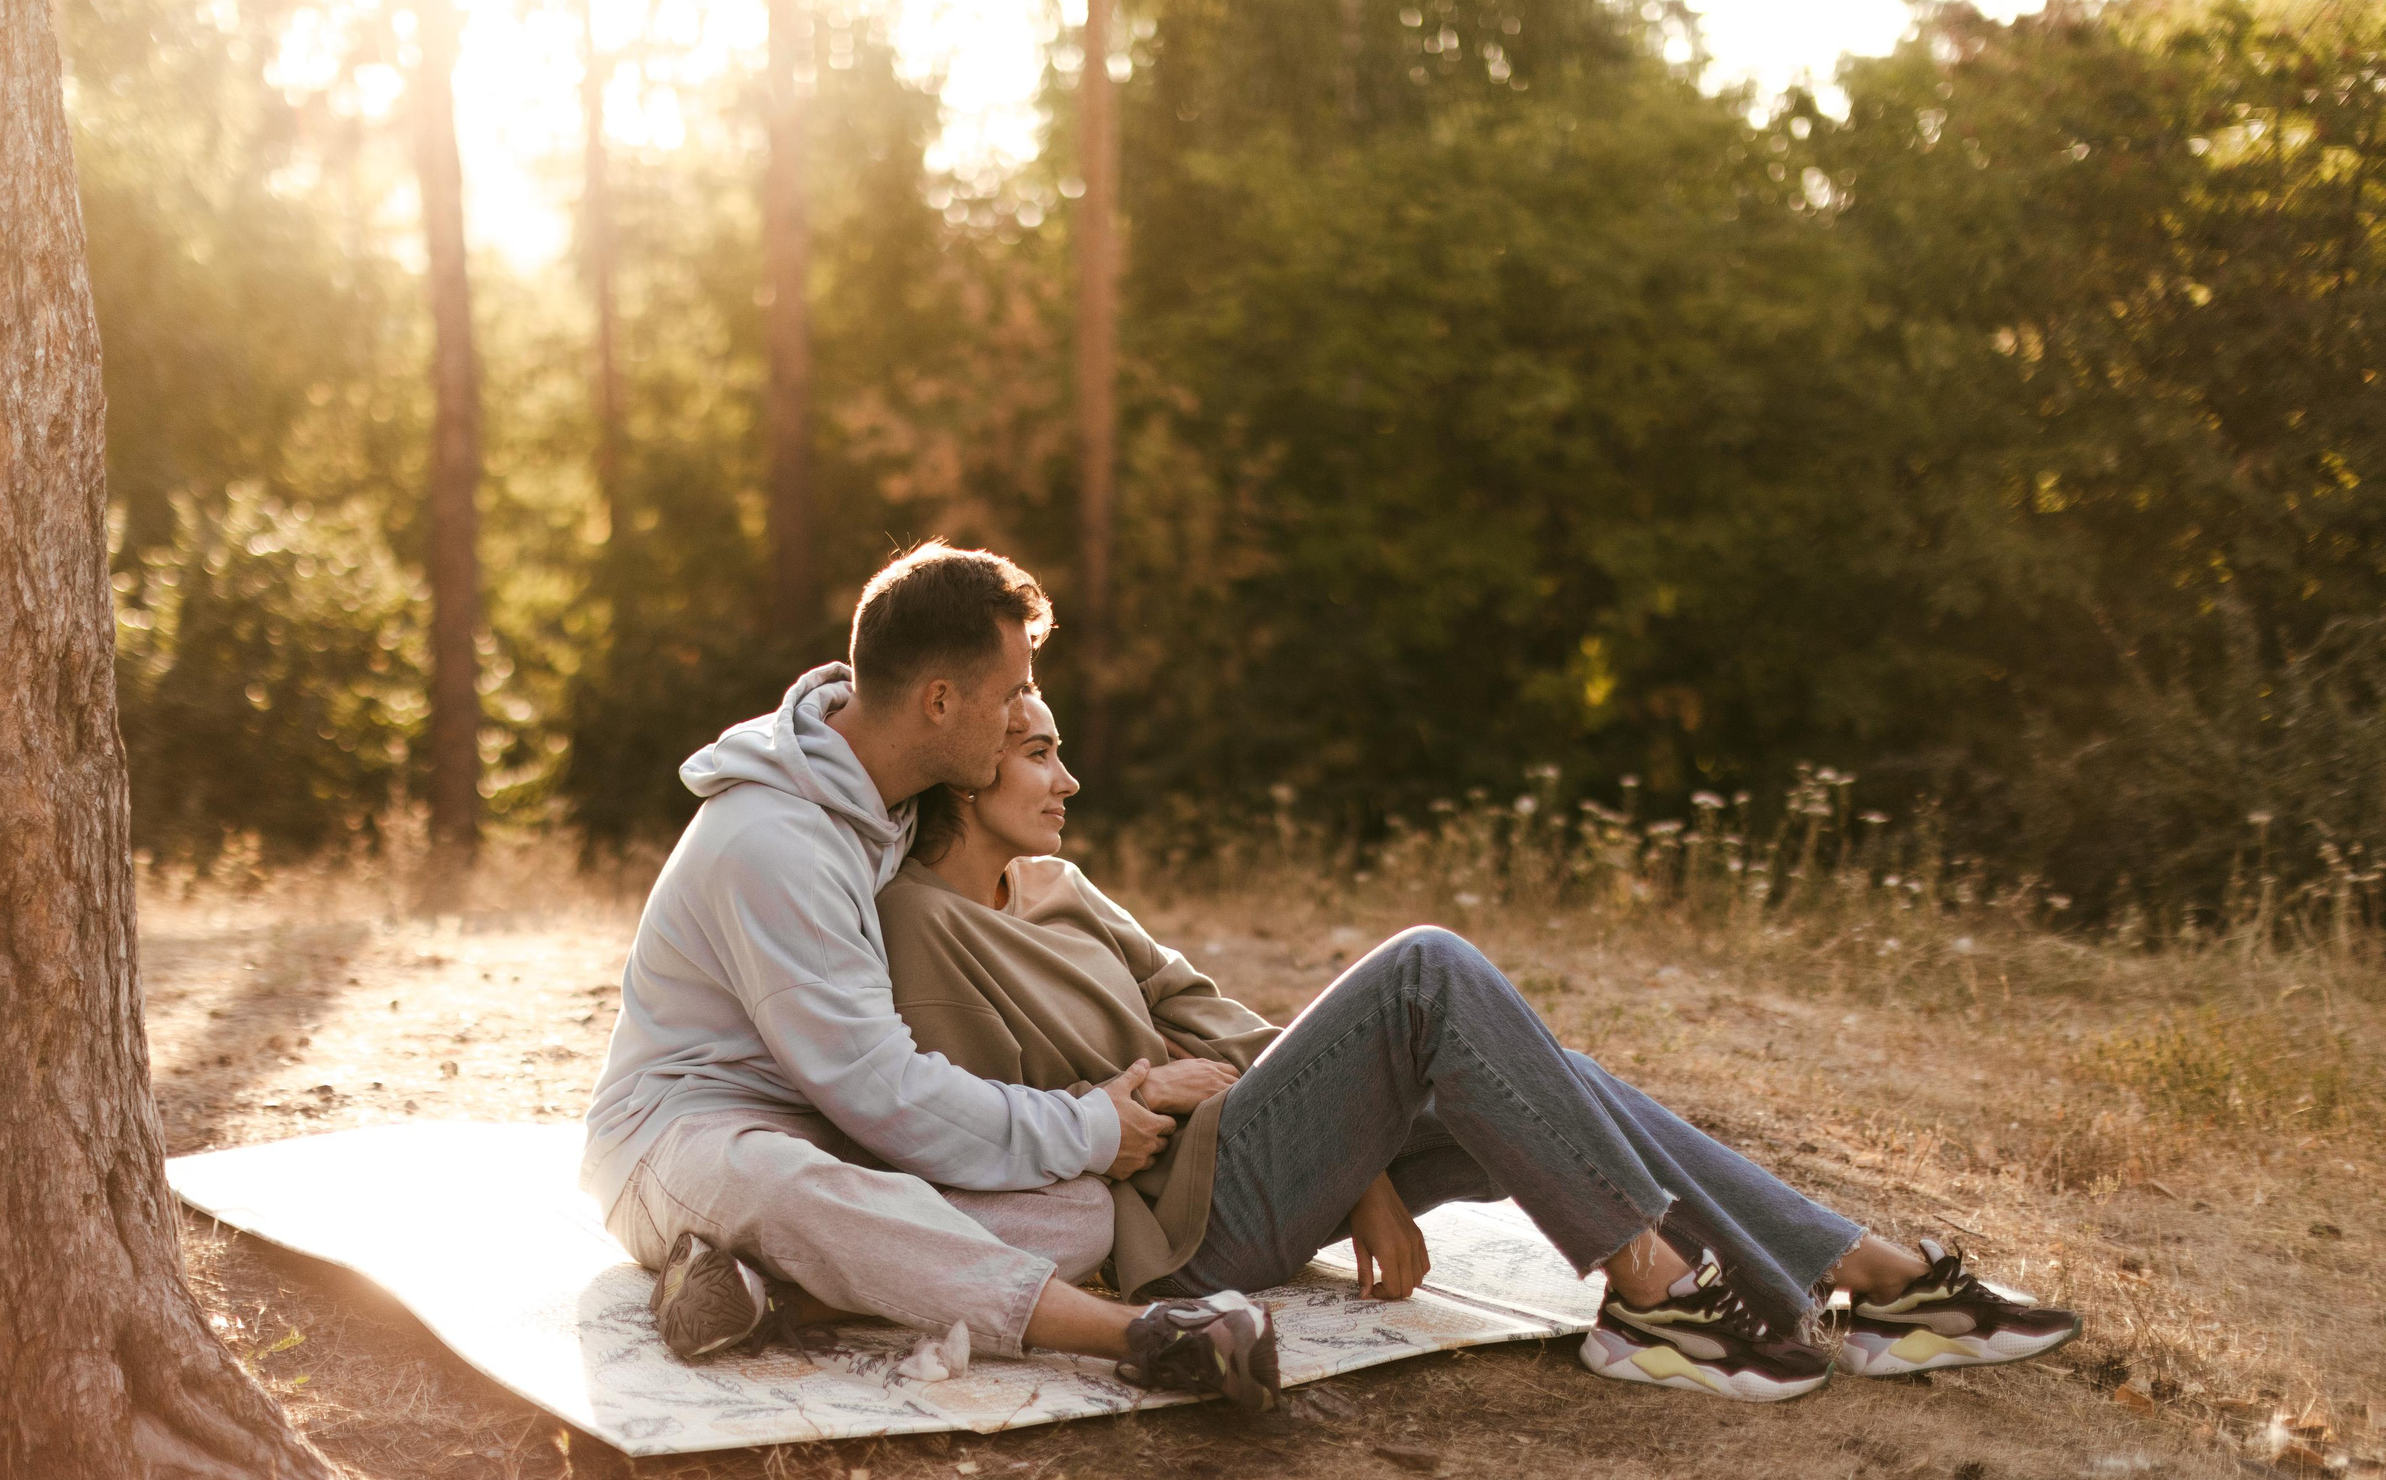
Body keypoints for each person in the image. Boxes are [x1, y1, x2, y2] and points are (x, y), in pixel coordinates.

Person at [874, 693, 2085, 1406]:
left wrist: (1368, 1176)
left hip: (1253, 1153)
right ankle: (1654, 1294)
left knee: (1543, 1082)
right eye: (1038, 751)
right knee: (1425, 970)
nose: (1068, 775)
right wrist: (1135, 1089)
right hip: (1184, 1227)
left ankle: (1863, 1280)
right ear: (970, 764)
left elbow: (1226, 1027)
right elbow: (980, 1134)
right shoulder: (921, 929)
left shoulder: (1056, 885)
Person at [581, 544, 1276, 1408]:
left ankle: (773, 1291)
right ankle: (1140, 1337)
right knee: (787, 1185)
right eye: (1014, 691)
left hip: (830, 1132)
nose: (1025, 711)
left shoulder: (892, 798)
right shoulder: (772, 841)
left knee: (1078, 1212)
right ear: (940, 702)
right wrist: (1090, 1121)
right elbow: (884, 1091)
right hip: (683, 1141)